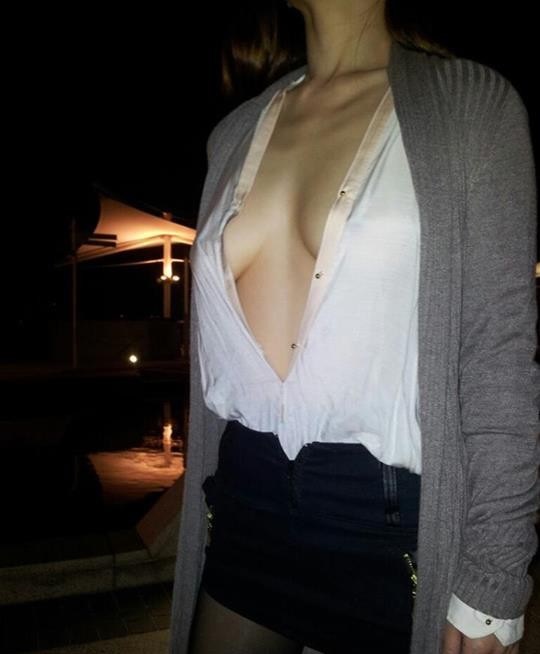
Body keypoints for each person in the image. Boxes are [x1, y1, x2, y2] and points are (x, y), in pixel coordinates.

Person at [169, 1, 540, 653]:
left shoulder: (471, 105)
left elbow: (498, 359)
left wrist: (494, 577)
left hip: (388, 523)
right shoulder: (234, 133)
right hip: (246, 502)